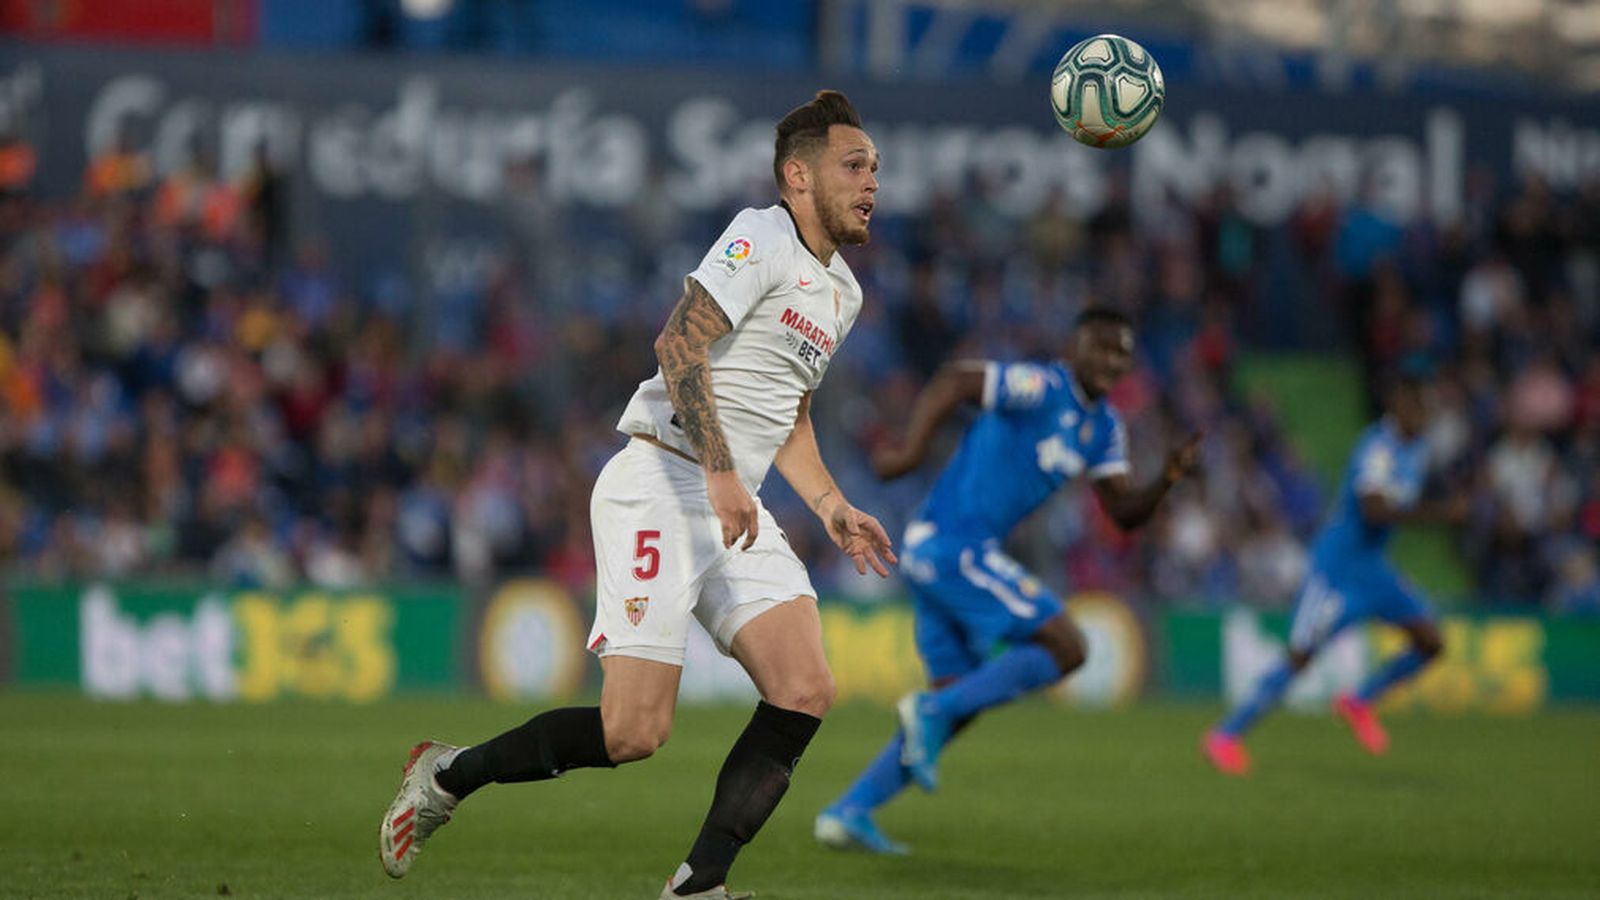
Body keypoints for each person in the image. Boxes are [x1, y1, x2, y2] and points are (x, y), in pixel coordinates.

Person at [379, 90, 897, 899]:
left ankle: (698, 885)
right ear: (798, 175)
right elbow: (679, 342)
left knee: (804, 688)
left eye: (876, 169)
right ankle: (448, 773)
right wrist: (724, 476)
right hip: (663, 480)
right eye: (855, 165)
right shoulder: (761, 234)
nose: (873, 183)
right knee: (633, 733)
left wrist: (830, 504)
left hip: (733, 500)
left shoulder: (843, 294)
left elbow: (787, 410)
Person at [815, 308, 1201, 854]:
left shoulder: (1104, 428)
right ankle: (928, 713)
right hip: (953, 547)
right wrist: (912, 450)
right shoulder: (1042, 385)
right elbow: (957, 381)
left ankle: (850, 810)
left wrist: (1165, 479)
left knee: (958, 702)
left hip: (946, 555)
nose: (1111, 362)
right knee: (1068, 645)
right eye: (1101, 347)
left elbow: (1122, 511)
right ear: (1076, 346)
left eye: (1122, 354)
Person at [1202, 373, 1465, 776]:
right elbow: (1374, 509)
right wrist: (1439, 514)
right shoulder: (1378, 448)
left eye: (1428, 409)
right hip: (1336, 570)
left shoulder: (1419, 450)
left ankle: (1359, 701)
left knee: (1431, 641)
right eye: (1417, 408)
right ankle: (1225, 735)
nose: (1424, 416)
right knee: (1300, 656)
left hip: (1374, 568)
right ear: (1398, 405)